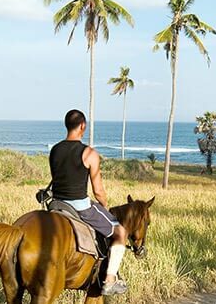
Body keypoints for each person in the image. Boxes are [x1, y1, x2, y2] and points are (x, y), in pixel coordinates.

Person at [49, 109, 128, 296]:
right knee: (121, 232)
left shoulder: (55, 150)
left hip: (56, 204)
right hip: (80, 207)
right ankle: (109, 279)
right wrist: (104, 206)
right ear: (82, 126)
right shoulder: (89, 153)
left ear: (67, 125)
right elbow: (98, 191)